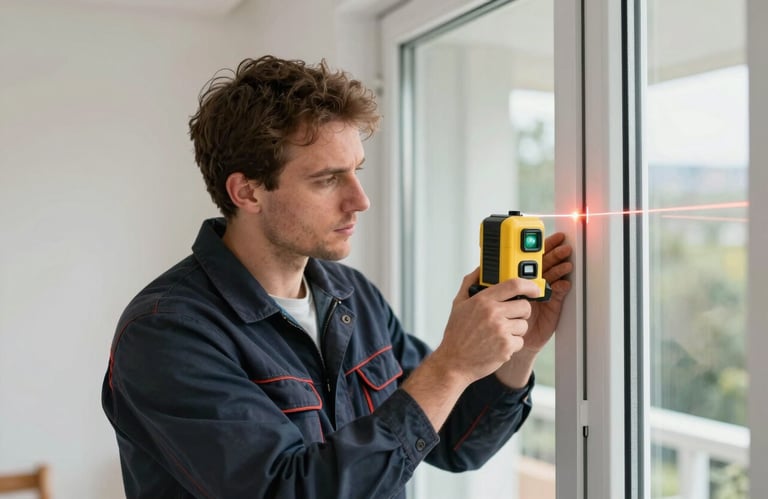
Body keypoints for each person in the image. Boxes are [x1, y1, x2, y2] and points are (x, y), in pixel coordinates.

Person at [101, 55, 573, 499]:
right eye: (327, 179)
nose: (360, 200)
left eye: (356, 171)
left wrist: (520, 349)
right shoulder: (166, 332)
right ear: (247, 192)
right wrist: (450, 365)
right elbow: (289, 489)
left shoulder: (352, 295)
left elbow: (455, 442)